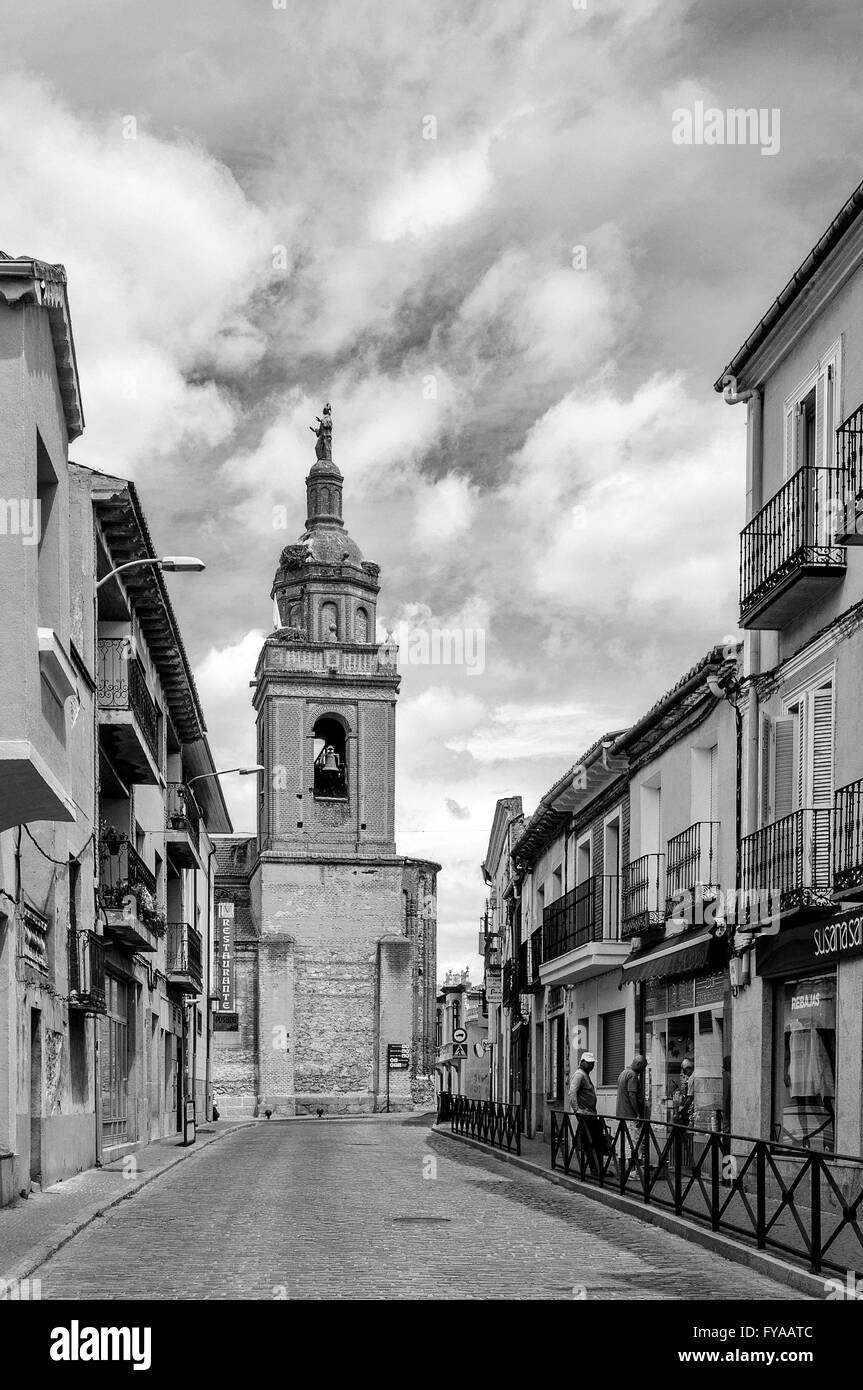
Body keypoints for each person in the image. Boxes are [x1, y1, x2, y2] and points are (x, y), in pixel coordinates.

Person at [568, 1052, 606, 1173]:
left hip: (589, 1114)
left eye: (592, 1063)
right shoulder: (579, 1075)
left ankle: (595, 1168)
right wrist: (577, 1110)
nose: (591, 1065)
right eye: (588, 1063)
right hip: (586, 1115)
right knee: (593, 1142)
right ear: (582, 1062)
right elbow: (572, 1092)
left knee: (593, 1142)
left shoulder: (585, 1075)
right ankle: (595, 1169)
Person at [616, 1054, 647, 1123]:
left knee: (624, 1133)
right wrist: (638, 1114)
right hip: (630, 1115)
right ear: (639, 1064)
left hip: (622, 1114)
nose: (643, 1070)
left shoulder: (624, 1072)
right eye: (643, 1067)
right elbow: (632, 1095)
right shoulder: (632, 1075)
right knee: (632, 1133)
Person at [675, 1058, 695, 1126]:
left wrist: (682, 1111)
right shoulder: (694, 1076)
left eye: (684, 1071)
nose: (684, 1073)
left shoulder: (692, 1078)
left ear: (688, 1068)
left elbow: (689, 1099)